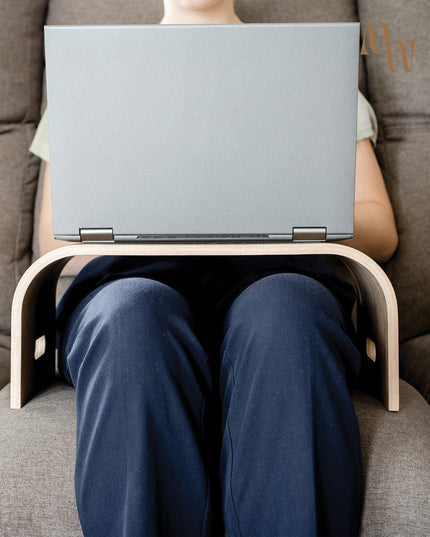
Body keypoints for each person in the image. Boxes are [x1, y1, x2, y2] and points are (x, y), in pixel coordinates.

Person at [29, 1, 398, 536]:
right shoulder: (92, 70)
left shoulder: (309, 67)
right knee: (130, 321)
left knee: (286, 322)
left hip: (281, 279)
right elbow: (54, 237)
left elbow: (379, 227)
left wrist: (291, 216)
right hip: (131, 282)